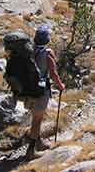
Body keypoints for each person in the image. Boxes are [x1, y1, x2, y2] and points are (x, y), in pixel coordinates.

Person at [25, 25, 65, 159]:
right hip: (40, 91)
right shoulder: (47, 53)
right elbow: (53, 73)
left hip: (28, 90)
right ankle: (30, 151)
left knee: (36, 117)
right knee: (37, 120)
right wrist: (60, 86)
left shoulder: (29, 50)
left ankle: (39, 142)